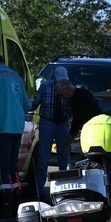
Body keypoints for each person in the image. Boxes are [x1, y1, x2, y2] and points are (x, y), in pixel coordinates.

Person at [0, 53, 31, 219]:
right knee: (11, 165)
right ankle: (16, 197)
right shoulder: (16, 76)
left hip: (1, 128)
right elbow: (27, 104)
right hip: (17, 127)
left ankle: (5, 204)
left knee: (1, 166)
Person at [31, 67, 72, 202]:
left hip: (63, 123)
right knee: (43, 156)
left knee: (63, 156)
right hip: (47, 122)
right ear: (54, 78)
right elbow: (35, 103)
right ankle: (40, 190)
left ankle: (64, 189)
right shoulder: (45, 86)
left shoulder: (69, 86)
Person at [57, 79, 102, 146]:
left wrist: (65, 146)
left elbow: (76, 126)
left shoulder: (79, 100)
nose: (61, 98)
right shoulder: (83, 92)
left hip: (95, 131)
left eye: (61, 95)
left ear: (67, 90)